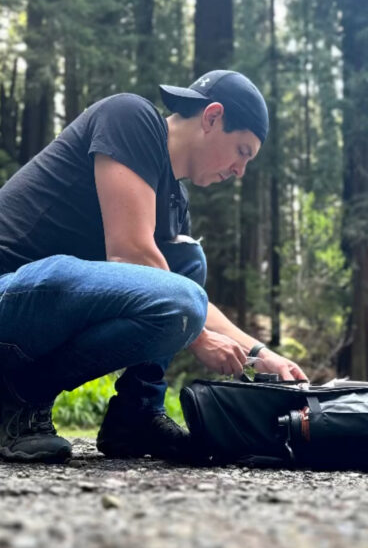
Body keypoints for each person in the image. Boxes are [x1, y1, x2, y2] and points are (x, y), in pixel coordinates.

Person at [0, 69, 307, 464]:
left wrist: (259, 354)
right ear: (212, 117)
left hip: (43, 310)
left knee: (186, 262)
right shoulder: (130, 117)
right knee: (180, 296)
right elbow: (129, 255)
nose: (239, 171)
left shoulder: (173, 203)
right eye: (242, 151)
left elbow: (176, 289)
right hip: (11, 293)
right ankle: (15, 398)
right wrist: (195, 336)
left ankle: (136, 414)